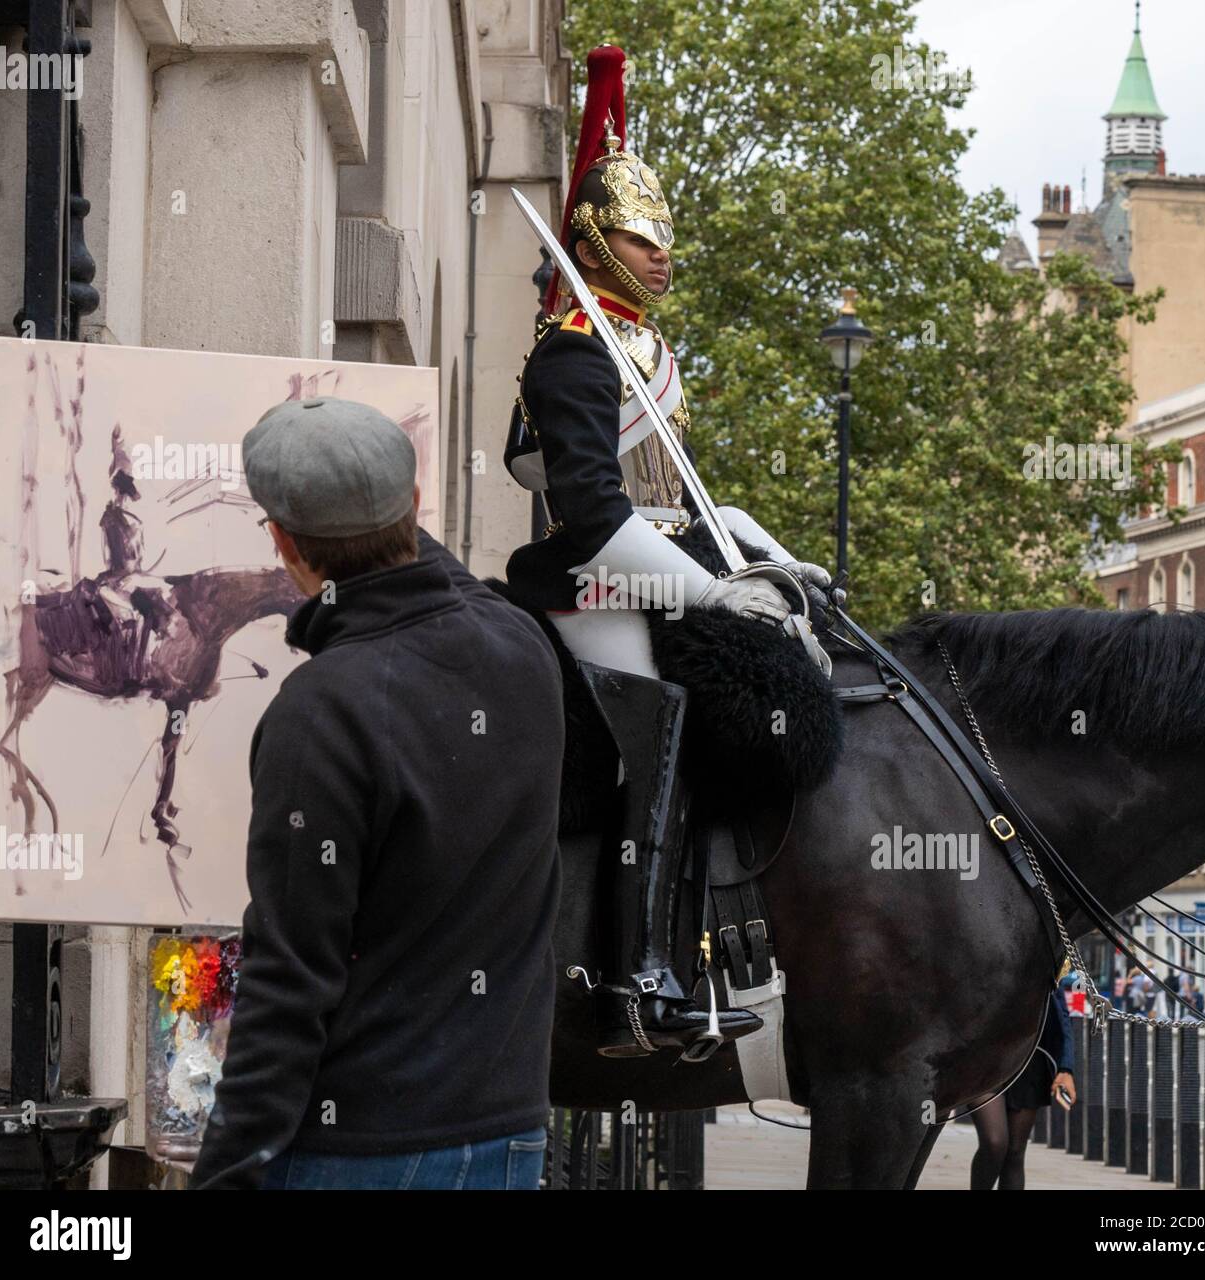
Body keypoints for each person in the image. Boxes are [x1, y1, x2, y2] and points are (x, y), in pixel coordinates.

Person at [502, 45, 831, 1060]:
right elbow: (592, 509)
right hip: (591, 579)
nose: (662, 253)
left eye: (665, 238)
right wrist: (714, 593)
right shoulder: (571, 350)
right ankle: (633, 980)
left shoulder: (641, 348)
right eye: (643, 238)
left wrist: (763, 553)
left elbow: (678, 494)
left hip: (643, 565)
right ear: (595, 240)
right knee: (666, 727)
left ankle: (696, 953)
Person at [190, 397, 564, 1190]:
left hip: (362, 1150)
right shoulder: (521, 645)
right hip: (510, 1132)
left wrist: (228, 1174)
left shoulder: (322, 710)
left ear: (283, 543)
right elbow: (442, 583)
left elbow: (290, 978)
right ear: (417, 507)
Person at [969, 983, 1076, 1191]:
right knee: (995, 1142)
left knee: (1015, 1152)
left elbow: (1061, 1012)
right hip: (982, 1056)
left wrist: (1066, 1067)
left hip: (1029, 1058)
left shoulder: (1049, 953)